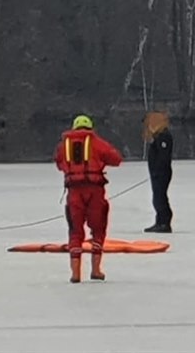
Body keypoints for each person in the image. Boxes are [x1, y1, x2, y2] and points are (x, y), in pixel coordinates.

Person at [53, 114, 123, 283]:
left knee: (75, 231)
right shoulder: (97, 142)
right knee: (98, 229)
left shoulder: (64, 145)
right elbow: (116, 159)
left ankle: (75, 274)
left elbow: (59, 163)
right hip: (95, 191)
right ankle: (96, 270)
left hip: (74, 192)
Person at [143, 111, 174, 233]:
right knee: (157, 197)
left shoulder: (164, 136)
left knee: (160, 197)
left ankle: (164, 222)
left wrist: (158, 169)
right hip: (157, 172)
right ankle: (159, 221)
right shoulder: (158, 136)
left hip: (162, 172)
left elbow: (164, 156)